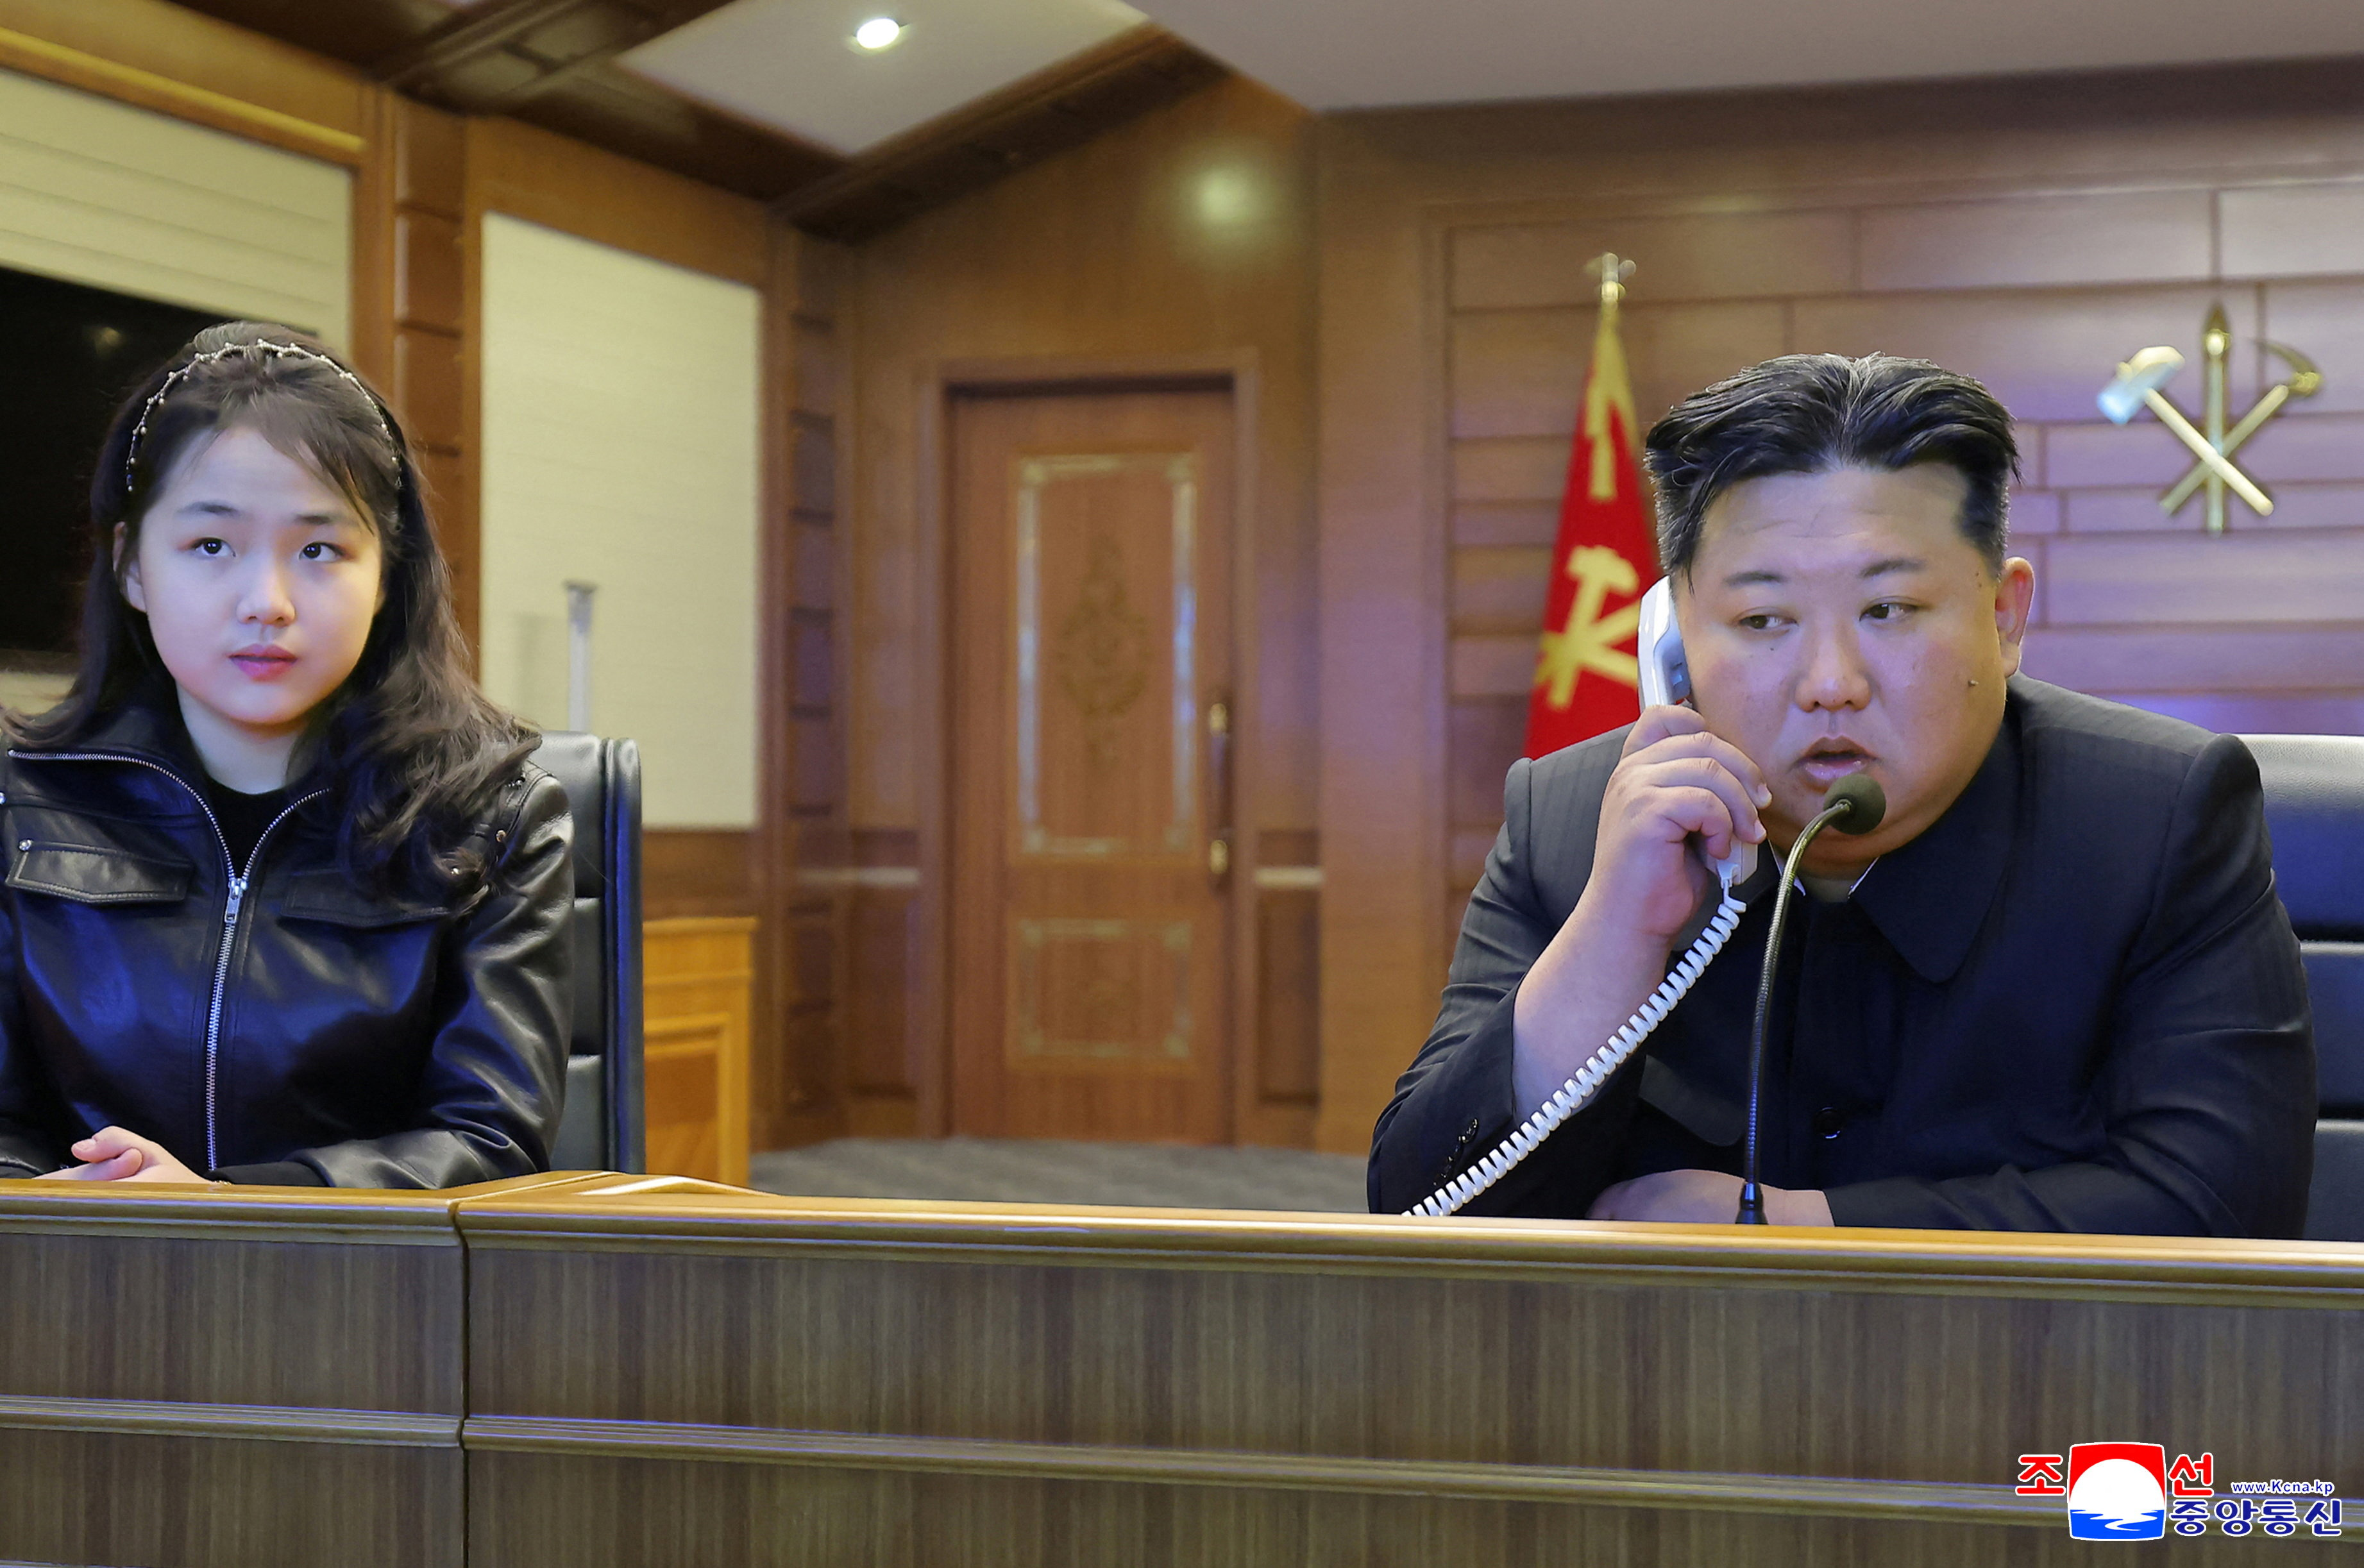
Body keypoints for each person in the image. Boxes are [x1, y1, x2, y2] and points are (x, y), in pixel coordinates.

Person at [1370, 353, 2315, 1235]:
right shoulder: (1570, 822)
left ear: (2003, 615)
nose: (1829, 680)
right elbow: (1420, 1208)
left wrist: (1798, 1224)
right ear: (1674, 638)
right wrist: (1613, 939)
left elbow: (2224, 1199)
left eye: (1887, 610)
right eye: (1760, 619)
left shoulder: (2155, 818)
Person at [0, 322, 571, 1187]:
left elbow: (488, 1141)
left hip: (366, 1301)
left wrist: (228, 1206)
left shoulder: (493, 819)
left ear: (385, 575)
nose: (266, 602)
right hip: (77, 1292)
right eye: (211, 545)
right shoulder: (19, 803)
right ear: (132, 568)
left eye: (318, 549)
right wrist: (80, 1213)